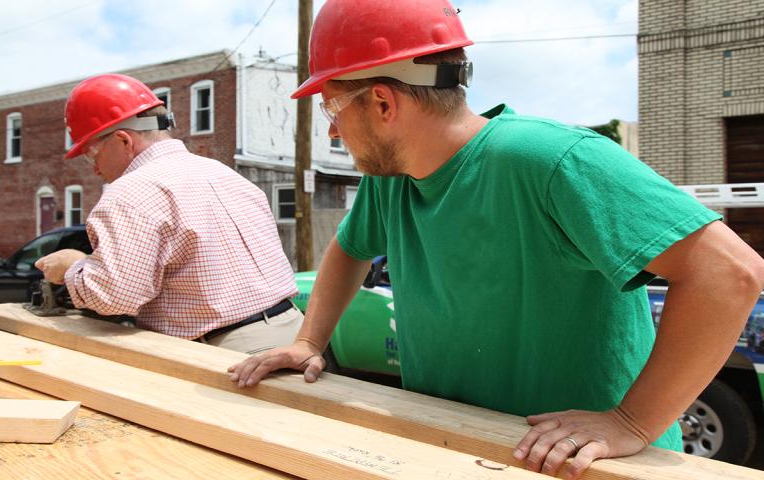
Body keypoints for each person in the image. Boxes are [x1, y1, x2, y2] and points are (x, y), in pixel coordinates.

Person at [228, 0, 764, 477]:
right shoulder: (390, 183)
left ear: (384, 104)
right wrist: (309, 341)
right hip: (463, 445)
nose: (332, 132)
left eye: (333, 108)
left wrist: (632, 421)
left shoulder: (549, 160)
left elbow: (729, 273)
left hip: (583, 464)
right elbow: (349, 249)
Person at [35, 73, 303, 354]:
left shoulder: (129, 192)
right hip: (295, 333)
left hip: (229, 351)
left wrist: (73, 266)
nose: (95, 169)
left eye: (92, 154)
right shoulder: (224, 173)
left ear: (123, 141)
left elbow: (115, 297)